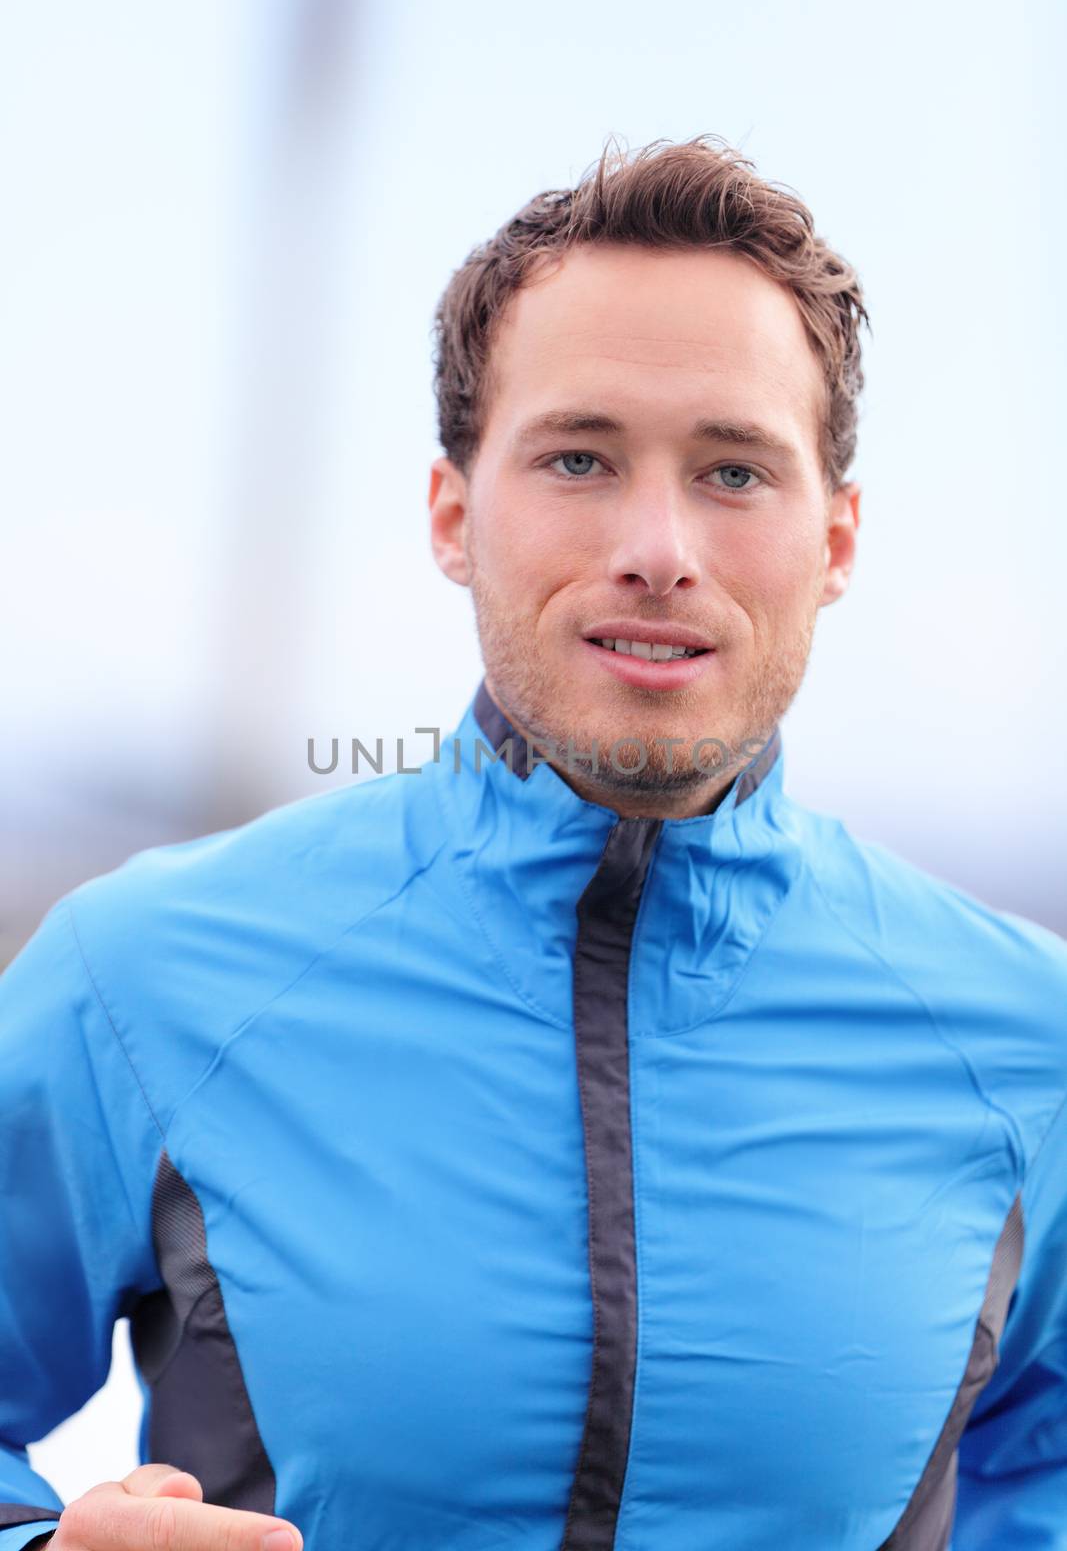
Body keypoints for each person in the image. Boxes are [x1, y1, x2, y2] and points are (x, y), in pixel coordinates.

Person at [1, 134, 1065, 1551]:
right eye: (579, 456)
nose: (657, 545)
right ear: (454, 514)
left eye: (736, 472)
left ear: (840, 540)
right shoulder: (141, 980)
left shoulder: (1023, 1040)